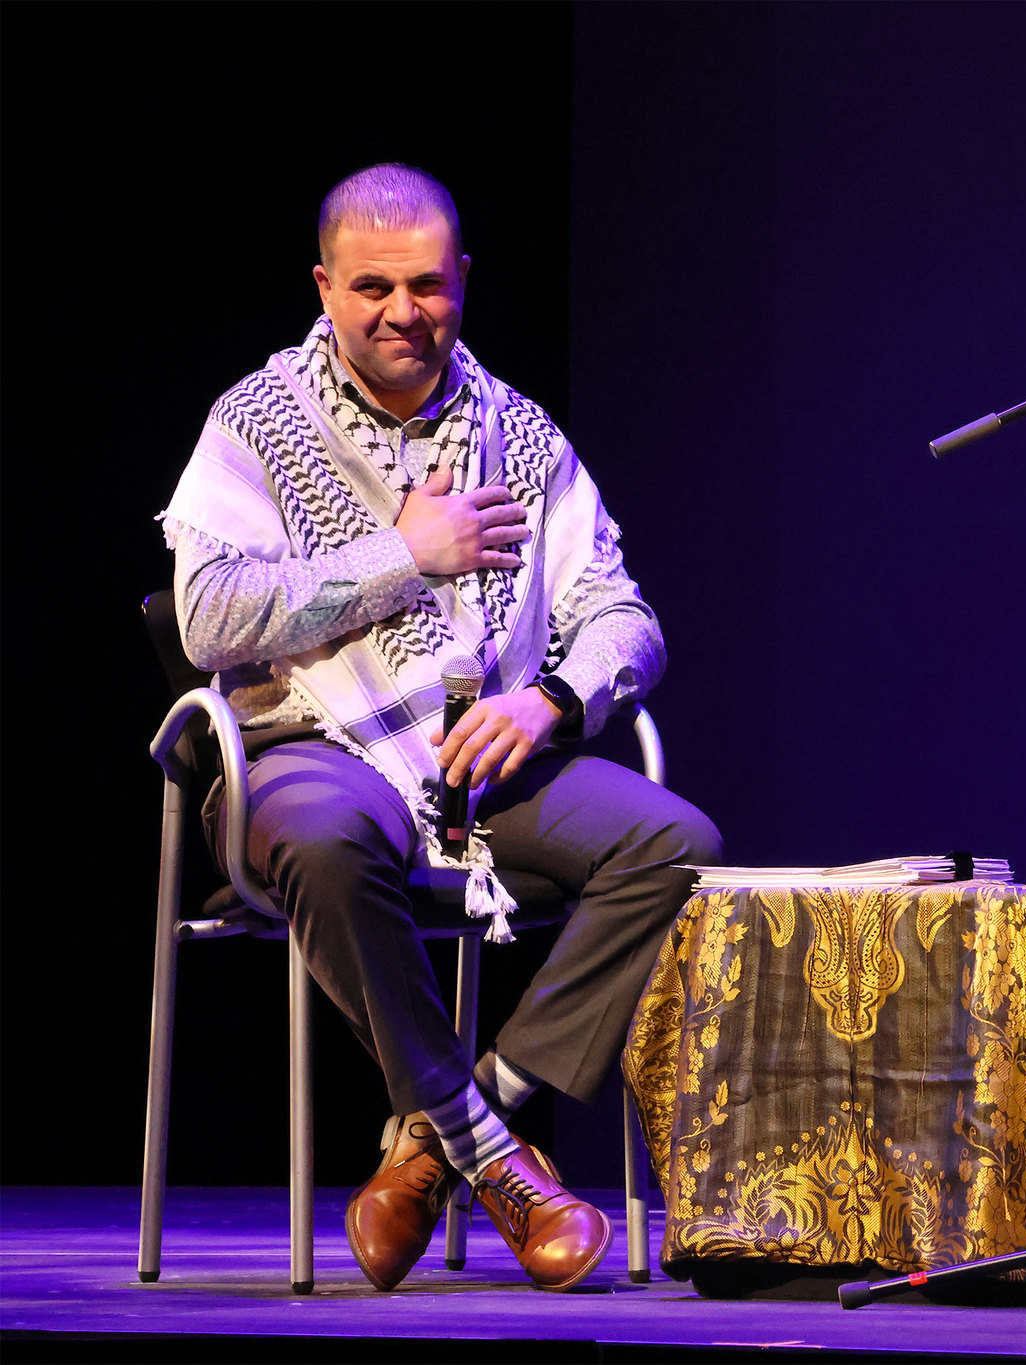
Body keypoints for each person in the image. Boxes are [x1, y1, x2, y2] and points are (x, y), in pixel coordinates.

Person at [160, 164, 722, 1293]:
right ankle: (498, 1162)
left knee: (675, 842)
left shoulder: (517, 431)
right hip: (307, 748)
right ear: (324, 287)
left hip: (480, 757)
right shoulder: (255, 422)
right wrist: (401, 557)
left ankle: (447, 1134)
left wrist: (554, 700)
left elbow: (622, 616)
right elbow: (207, 620)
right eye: (371, 287)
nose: (401, 311)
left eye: (426, 284)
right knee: (326, 837)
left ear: (462, 277)